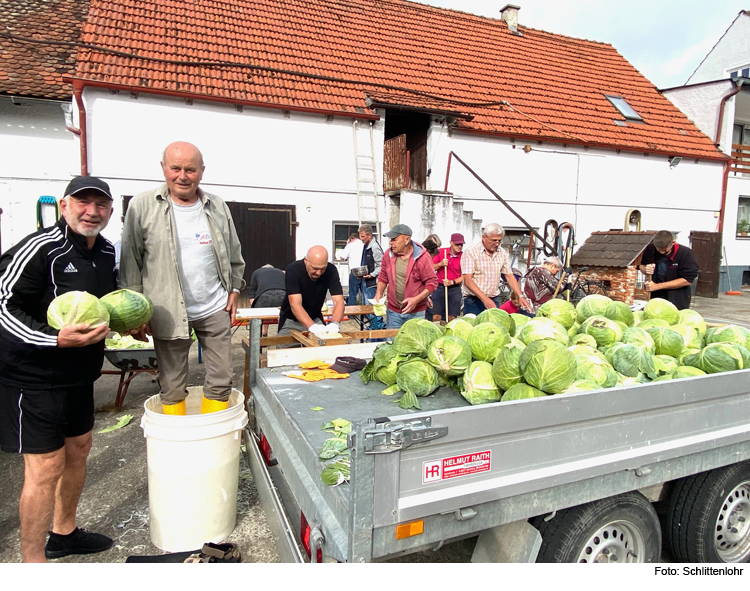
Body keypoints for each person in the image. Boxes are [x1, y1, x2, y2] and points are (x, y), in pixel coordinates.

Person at [0, 176, 117, 562]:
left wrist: (125, 321)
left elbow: (104, 305)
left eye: (100, 205)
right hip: (33, 376)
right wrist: (53, 339)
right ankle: (33, 563)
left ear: (110, 212)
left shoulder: (106, 251)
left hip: (80, 375)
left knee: (78, 450)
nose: (92, 211)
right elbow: (3, 306)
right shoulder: (39, 248)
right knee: (46, 467)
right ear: (65, 205)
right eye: (83, 202)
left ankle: (63, 533)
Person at [120, 141, 246, 415]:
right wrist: (135, 313)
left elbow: (235, 253)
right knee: (173, 384)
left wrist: (235, 290)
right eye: (175, 168)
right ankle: (179, 438)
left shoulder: (217, 206)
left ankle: (211, 434)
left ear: (201, 171)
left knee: (222, 378)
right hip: (167, 309)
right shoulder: (142, 206)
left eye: (190, 169)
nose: (183, 176)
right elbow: (131, 261)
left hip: (214, 305)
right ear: (163, 168)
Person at [374, 224, 439, 329]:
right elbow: (383, 277)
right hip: (393, 311)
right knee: (392, 343)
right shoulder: (388, 255)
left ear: (407, 240)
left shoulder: (422, 257)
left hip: (416, 313)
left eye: (395, 239)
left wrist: (417, 299)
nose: (391, 243)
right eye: (391, 240)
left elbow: (432, 283)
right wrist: (378, 293)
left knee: (414, 343)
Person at [462, 223, 531, 316]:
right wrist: (484, 299)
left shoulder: (502, 253)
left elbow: (509, 276)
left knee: (494, 328)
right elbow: (467, 280)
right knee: (474, 328)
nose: (497, 244)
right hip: (474, 301)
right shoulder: (471, 252)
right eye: (494, 240)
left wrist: (520, 296)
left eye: (499, 240)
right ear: (484, 237)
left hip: (494, 299)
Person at [278, 245, 345, 339]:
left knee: (320, 351)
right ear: (306, 261)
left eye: (322, 269)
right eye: (315, 268)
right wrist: (312, 327)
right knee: (285, 352)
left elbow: (339, 301)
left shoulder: (331, 270)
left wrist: (334, 323)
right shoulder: (293, 269)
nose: (318, 272)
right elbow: (295, 305)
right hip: (291, 320)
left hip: (315, 318)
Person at [639, 230, 700, 310]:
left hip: (677, 298)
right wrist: (646, 269)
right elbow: (641, 266)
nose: (661, 252)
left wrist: (657, 286)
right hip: (655, 297)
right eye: (659, 250)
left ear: (673, 243)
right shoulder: (651, 248)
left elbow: (687, 280)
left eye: (665, 250)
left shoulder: (686, 253)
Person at [431, 233, 465, 322]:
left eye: (461, 244)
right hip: (439, 287)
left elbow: (465, 276)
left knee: (452, 317)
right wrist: (440, 264)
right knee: (436, 316)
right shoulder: (441, 252)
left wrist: (452, 282)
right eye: (457, 244)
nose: (459, 247)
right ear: (451, 243)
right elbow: (431, 267)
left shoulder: (464, 256)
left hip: (455, 288)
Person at [356, 224, 385, 329]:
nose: (361, 239)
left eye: (363, 236)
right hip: (365, 282)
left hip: (372, 284)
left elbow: (382, 265)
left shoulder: (375, 247)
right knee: (367, 309)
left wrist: (371, 275)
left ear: (369, 235)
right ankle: (372, 329)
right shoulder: (366, 246)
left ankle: (378, 330)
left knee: (373, 310)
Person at [247, 264, 286, 337]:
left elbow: (252, 291)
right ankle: (283, 338)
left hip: (264, 295)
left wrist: (254, 308)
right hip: (282, 294)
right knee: (286, 318)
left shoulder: (257, 272)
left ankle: (258, 340)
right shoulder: (280, 272)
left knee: (258, 317)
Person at [337, 232, 365, 305]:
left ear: (351, 239)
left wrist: (347, 245)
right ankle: (366, 313)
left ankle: (351, 313)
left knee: (352, 293)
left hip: (355, 270)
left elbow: (343, 258)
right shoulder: (364, 244)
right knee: (364, 293)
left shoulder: (350, 245)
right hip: (364, 270)